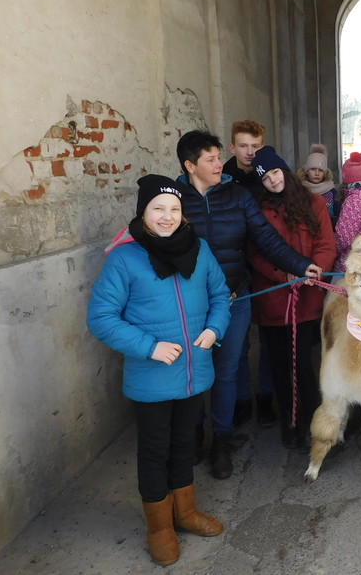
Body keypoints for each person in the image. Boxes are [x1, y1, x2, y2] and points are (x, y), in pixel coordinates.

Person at [87, 175, 230, 566]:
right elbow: (101, 317)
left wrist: (214, 328)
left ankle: (184, 514)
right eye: (158, 209)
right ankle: (159, 528)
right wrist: (149, 347)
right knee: (154, 452)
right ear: (143, 212)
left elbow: (220, 294)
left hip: (193, 372)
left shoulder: (199, 250)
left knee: (185, 444)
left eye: (174, 210)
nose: (167, 217)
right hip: (151, 379)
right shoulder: (125, 258)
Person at [174, 130, 322, 479]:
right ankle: (194, 438)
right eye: (210, 159)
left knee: (226, 372)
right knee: (193, 374)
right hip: (190, 304)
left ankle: (221, 442)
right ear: (190, 165)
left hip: (234, 299)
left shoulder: (238, 196)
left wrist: (299, 265)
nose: (218, 164)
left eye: (217, 157)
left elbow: (266, 240)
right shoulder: (175, 199)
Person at [248, 146, 337, 450]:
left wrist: (317, 271)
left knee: (303, 365)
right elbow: (255, 253)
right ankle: (290, 418)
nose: (272, 181)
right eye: (265, 178)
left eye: (274, 172)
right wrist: (282, 275)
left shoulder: (314, 204)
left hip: (307, 299)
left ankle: (315, 421)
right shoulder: (258, 209)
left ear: (284, 170)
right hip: (274, 301)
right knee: (279, 366)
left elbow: (326, 243)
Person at [222, 120, 269, 431]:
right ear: (233, 147)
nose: (250, 152)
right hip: (236, 267)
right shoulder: (221, 178)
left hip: (266, 263)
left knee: (268, 335)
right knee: (236, 344)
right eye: (244, 146)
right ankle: (241, 400)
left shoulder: (271, 173)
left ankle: (266, 396)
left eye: (255, 146)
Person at [296, 143, 340, 228]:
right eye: (313, 169)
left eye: (320, 170)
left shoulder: (332, 193)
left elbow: (337, 217)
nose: (317, 173)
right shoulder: (299, 191)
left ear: (325, 173)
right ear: (306, 171)